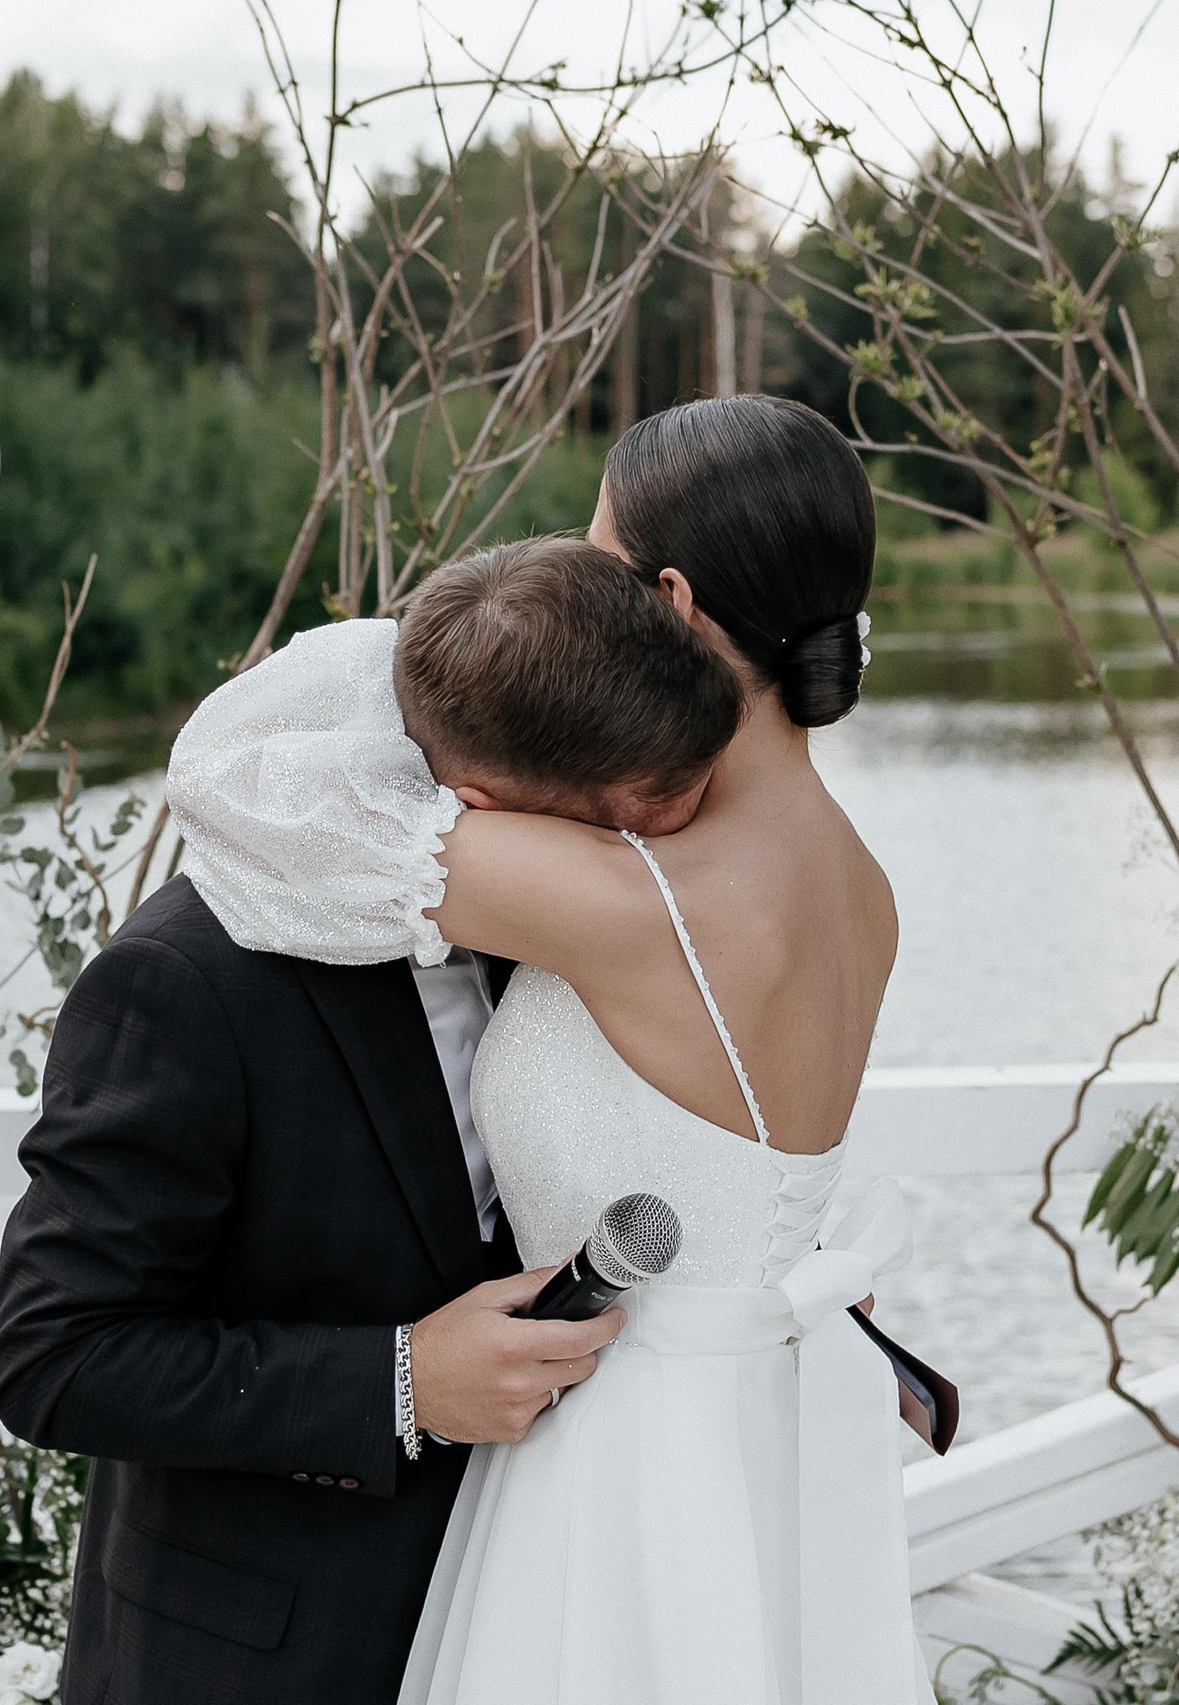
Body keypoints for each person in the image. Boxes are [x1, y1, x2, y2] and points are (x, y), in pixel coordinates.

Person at [160, 393, 921, 1703]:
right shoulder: (855, 876)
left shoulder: (640, 902)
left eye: (591, 557)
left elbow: (230, 774)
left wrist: (471, 634)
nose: (570, 579)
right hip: (764, 1434)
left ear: (670, 602)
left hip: (625, 1460)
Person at [0, 536, 742, 1705]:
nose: (662, 851)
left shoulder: (553, 914)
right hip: (265, 1655)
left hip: (530, 1606)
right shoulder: (181, 981)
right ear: (485, 806)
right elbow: (55, 1357)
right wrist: (399, 1380)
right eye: (636, 816)